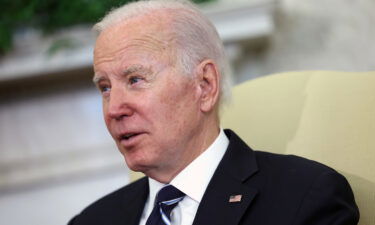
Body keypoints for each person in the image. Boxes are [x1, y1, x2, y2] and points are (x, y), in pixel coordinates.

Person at [68, 0, 359, 224]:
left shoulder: (303, 197)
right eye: (105, 88)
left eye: (135, 80)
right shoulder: (91, 221)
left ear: (204, 85)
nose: (114, 109)